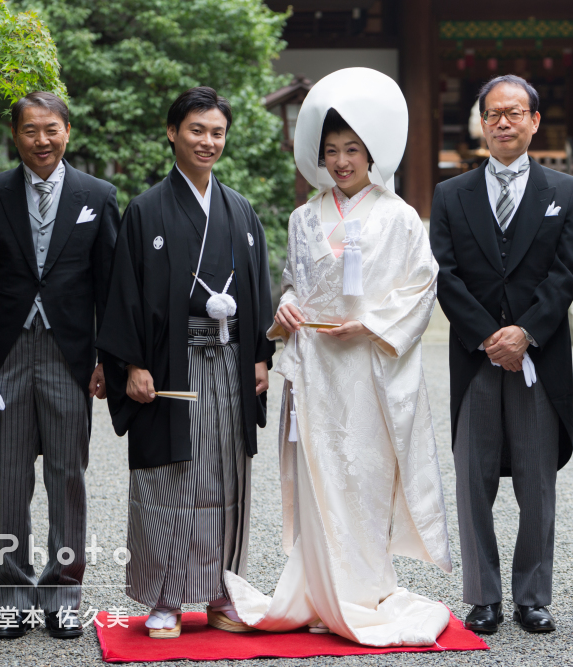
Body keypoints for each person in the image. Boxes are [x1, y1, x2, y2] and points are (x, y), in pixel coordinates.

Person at [222, 67, 453, 647]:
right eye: (332, 151)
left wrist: (371, 323)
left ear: (371, 154)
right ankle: (317, 589)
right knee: (317, 477)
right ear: (320, 158)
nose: (343, 160)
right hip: (317, 368)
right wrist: (291, 308)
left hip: (368, 367)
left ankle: (365, 588)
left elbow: (420, 287)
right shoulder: (304, 218)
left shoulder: (400, 217)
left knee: (365, 477)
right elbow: (293, 283)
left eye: (353, 149)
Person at [97, 86, 276, 639]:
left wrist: (261, 355)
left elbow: (260, 289)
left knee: (225, 477)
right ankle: (167, 598)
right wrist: (130, 365)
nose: (208, 141)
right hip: (169, 367)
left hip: (229, 361)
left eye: (217, 132)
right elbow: (123, 292)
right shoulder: (146, 209)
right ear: (173, 133)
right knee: (170, 480)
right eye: (197, 130)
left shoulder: (239, 210)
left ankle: (222, 593)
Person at [0, 91, 121, 639]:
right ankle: (12, 594)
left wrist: (106, 357)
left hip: (70, 355)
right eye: (31, 130)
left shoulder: (97, 194)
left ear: (67, 131)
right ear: (15, 135)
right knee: (7, 478)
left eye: (51, 129)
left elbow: (110, 286)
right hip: (5, 356)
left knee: (68, 477)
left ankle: (62, 593)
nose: (42, 140)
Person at [429, 74, 573, 634]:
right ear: (481, 122)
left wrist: (525, 333)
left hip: (537, 358)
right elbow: (444, 275)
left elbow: (567, 273)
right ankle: (483, 595)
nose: (503, 122)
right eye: (493, 113)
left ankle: (533, 594)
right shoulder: (451, 195)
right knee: (473, 479)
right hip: (475, 357)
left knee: (536, 480)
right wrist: (489, 338)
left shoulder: (566, 193)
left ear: (534, 121)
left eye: (514, 113)